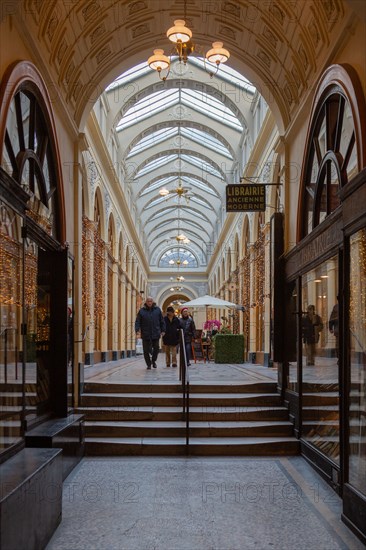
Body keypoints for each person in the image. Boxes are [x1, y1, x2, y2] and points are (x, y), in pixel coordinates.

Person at [135, 296, 165, 370]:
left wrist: (163, 330)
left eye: (150, 301)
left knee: (156, 348)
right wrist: (137, 329)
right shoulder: (141, 311)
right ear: (146, 302)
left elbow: (162, 321)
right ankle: (148, 364)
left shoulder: (157, 310)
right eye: (148, 301)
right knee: (146, 350)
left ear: (153, 302)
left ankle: (153, 361)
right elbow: (138, 321)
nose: (149, 302)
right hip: (145, 333)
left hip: (156, 332)